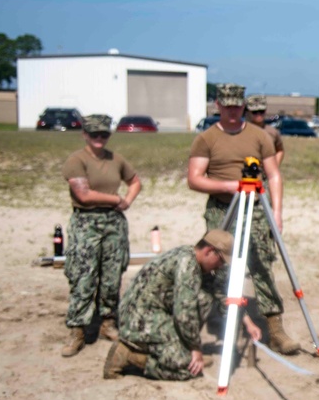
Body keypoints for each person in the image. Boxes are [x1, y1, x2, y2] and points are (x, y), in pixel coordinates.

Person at [187, 83, 300, 355]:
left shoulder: (260, 137)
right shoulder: (207, 138)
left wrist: (277, 212)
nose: (233, 111)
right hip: (222, 209)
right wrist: (229, 186)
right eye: (227, 106)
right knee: (220, 267)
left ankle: (275, 329)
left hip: (257, 209)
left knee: (262, 264)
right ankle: (228, 320)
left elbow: (273, 175)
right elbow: (194, 179)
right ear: (218, 105)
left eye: (238, 106)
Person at [103, 229, 262, 380]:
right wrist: (195, 348)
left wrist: (247, 322)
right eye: (220, 260)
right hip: (137, 319)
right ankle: (127, 355)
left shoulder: (192, 257)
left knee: (206, 296)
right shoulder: (187, 264)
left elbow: (221, 294)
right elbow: (184, 312)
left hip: (147, 312)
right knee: (189, 368)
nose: (220, 266)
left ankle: (178, 347)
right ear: (209, 251)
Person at [60, 114, 142, 357]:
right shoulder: (76, 160)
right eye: (94, 134)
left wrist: (127, 199)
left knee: (111, 276)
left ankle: (107, 322)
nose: (99, 138)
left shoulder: (116, 159)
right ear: (85, 134)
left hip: (113, 223)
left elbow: (135, 181)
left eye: (103, 134)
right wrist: (117, 199)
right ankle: (78, 329)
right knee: (83, 277)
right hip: (87, 222)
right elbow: (84, 195)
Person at [246, 94, 285, 167]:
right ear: (247, 112)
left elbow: (280, 150)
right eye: (254, 112)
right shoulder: (240, 130)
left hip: (264, 175)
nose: (259, 114)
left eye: (261, 111)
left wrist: (274, 167)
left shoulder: (272, 132)